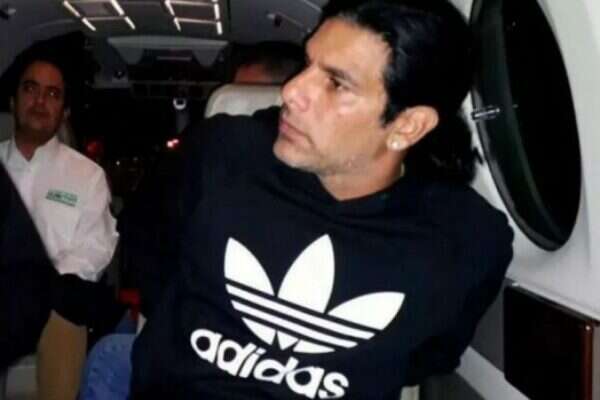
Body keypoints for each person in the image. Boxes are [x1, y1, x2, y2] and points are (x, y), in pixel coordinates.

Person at [85, 1, 514, 398]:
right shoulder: (223, 155)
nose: (291, 91)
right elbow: (146, 244)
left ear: (407, 125)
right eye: (308, 64)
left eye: (336, 83)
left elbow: (430, 355)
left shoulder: (463, 237)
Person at [0, 47, 119, 399]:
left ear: (64, 112)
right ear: (13, 102)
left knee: (66, 310)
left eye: (52, 94)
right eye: (31, 89)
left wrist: (39, 284)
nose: (40, 101)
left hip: (53, 300)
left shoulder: (86, 175)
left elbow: (94, 249)